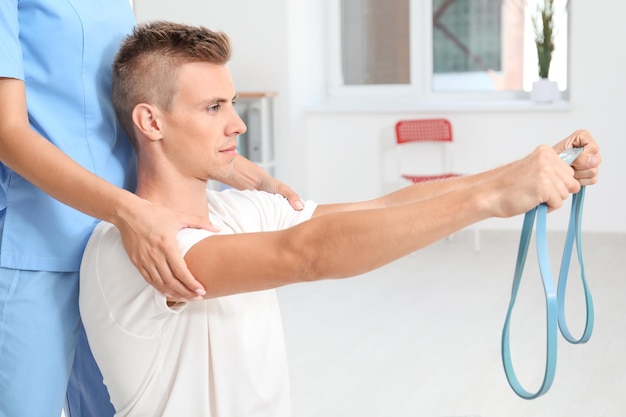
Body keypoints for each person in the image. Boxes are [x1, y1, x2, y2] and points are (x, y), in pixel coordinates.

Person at [79, 21, 601, 417]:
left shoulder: (240, 209)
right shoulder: (132, 247)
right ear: (150, 121)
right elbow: (307, 254)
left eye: (232, 104)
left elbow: (380, 208)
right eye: (213, 107)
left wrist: (523, 172)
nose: (237, 123)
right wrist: (490, 198)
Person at [0, 3, 303, 417]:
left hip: (124, 248)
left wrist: (249, 176)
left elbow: (141, 104)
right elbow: (7, 133)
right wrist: (127, 212)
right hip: (42, 242)